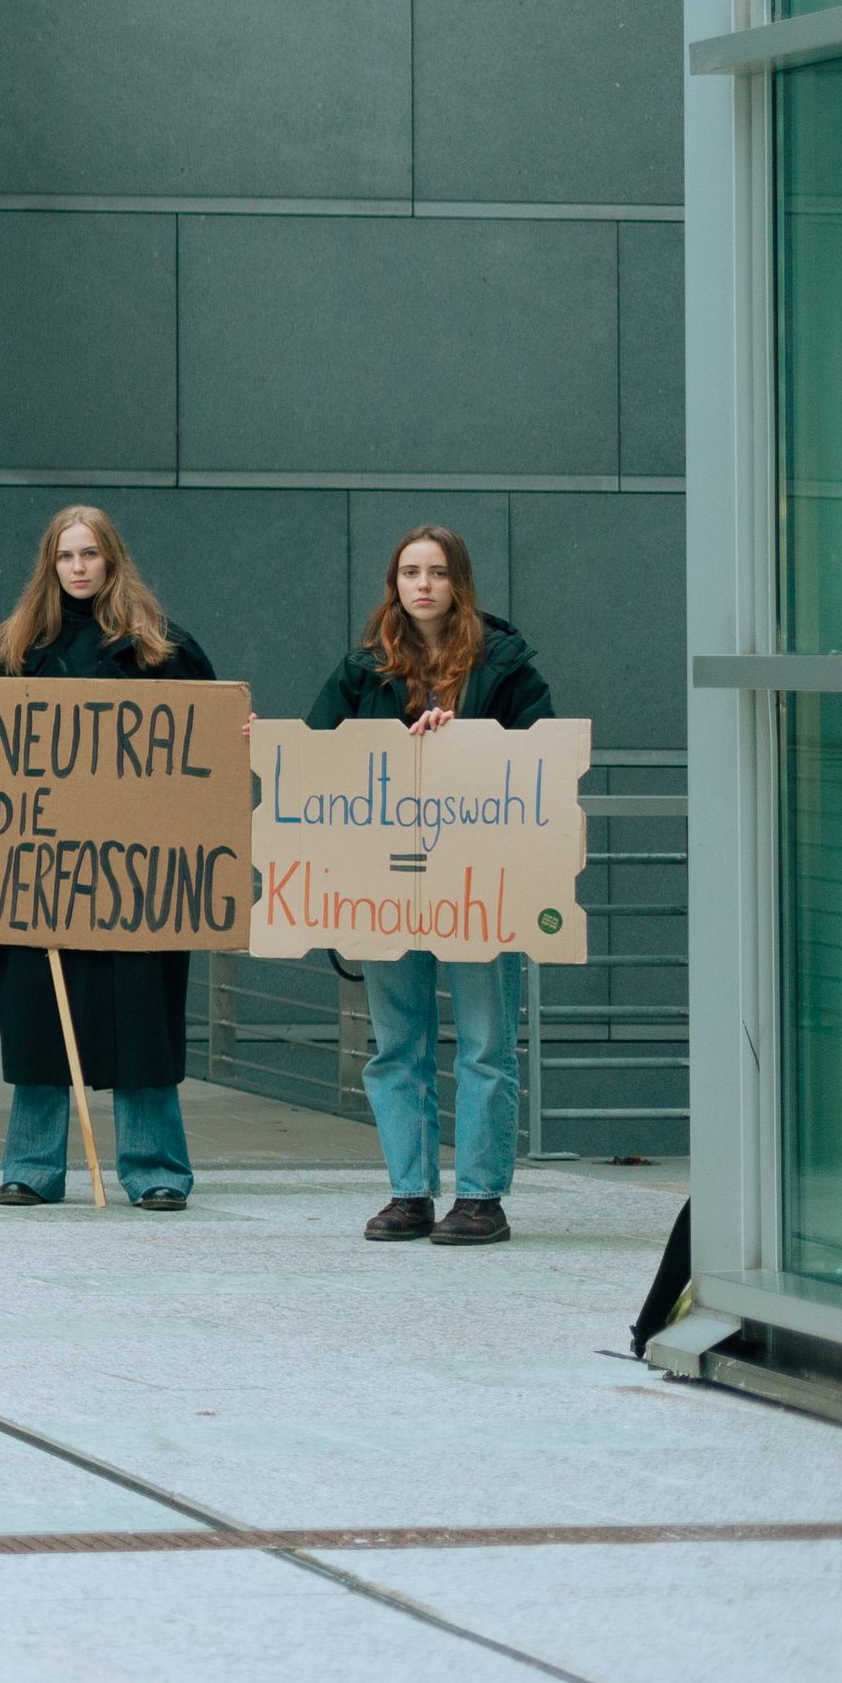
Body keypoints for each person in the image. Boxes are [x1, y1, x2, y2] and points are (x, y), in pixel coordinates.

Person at [307, 525, 557, 1249]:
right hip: (386, 881)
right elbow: (320, 750)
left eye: (437, 572)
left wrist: (470, 738)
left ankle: (481, 1197)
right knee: (396, 1045)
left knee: (484, 1042)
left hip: (480, 880)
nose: (422, 584)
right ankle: (409, 1192)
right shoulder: (363, 668)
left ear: (459, 584)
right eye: (410, 572)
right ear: (396, 584)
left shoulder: (505, 666)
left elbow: (543, 753)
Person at [0, 506, 217, 1213]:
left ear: (113, 561)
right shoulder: (14, 653)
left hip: (137, 871)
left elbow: (206, 749)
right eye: (65, 556)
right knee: (39, 1015)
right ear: (49, 567)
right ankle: (31, 1166)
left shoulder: (165, 652)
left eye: (90, 555)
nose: (78, 568)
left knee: (141, 1018)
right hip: (40, 866)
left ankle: (156, 1169)